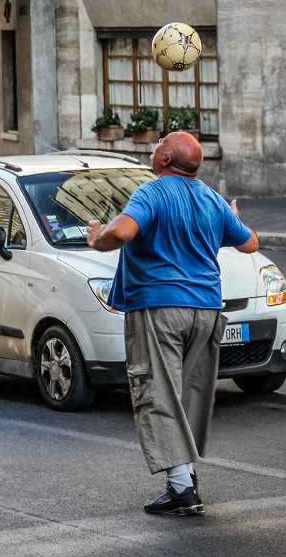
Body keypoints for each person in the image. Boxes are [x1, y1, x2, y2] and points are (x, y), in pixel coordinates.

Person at [86, 132, 259, 516]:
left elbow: (123, 232)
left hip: (160, 307)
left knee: (158, 393)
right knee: (184, 395)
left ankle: (182, 488)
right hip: (207, 310)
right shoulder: (211, 198)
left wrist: (99, 237)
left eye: (157, 143)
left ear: (165, 158)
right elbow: (250, 243)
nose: (152, 146)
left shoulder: (153, 193)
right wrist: (230, 219)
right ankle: (183, 478)